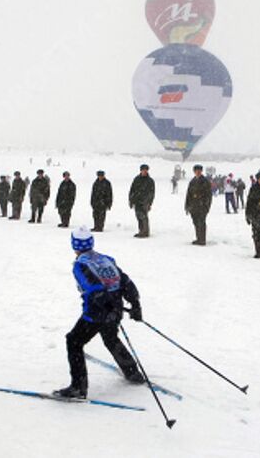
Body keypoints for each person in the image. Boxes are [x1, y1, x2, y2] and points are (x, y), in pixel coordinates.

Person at [53, 227, 145, 399]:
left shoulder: (81, 265)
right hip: (114, 309)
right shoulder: (106, 259)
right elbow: (125, 281)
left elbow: (94, 288)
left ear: (74, 245)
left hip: (97, 312)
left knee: (73, 341)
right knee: (110, 337)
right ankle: (132, 371)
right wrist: (134, 304)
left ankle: (78, 388)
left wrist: (105, 303)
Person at [185, 164, 212, 245]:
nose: (198, 172)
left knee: (201, 222)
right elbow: (188, 194)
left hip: (202, 206)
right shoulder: (192, 181)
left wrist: (206, 206)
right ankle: (198, 238)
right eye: (196, 171)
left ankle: (202, 240)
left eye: (199, 171)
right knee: (196, 222)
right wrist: (187, 206)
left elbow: (208, 195)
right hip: (193, 206)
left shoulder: (205, 181)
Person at [129, 164, 155, 238]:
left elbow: (152, 193)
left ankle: (145, 232)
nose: (144, 171)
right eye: (143, 170)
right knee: (138, 217)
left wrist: (149, 203)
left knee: (144, 217)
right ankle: (141, 231)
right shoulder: (136, 179)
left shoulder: (150, 181)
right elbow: (132, 190)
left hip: (145, 202)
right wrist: (131, 200)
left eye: (145, 170)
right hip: (137, 201)